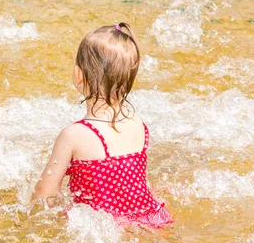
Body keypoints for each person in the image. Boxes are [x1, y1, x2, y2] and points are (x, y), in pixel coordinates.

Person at [32, 23, 172, 228]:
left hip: (103, 226)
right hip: (152, 218)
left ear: (78, 76)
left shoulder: (74, 135)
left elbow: (45, 193)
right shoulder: (137, 124)